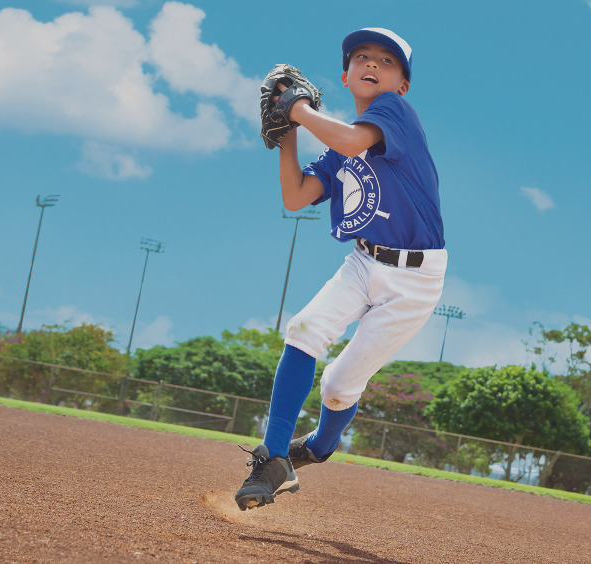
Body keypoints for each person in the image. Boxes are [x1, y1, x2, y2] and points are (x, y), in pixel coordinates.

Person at [235, 27, 445, 511]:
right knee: (304, 328)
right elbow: (296, 196)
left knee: (337, 387)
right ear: (346, 75)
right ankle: (273, 460)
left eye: (388, 62)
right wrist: (287, 135)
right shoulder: (336, 150)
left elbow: (353, 141)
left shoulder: (394, 113)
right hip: (363, 260)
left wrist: (298, 111)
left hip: (415, 280)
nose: (373, 65)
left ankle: (321, 447)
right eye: (363, 57)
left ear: (402, 85)